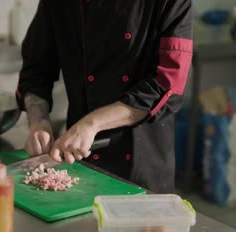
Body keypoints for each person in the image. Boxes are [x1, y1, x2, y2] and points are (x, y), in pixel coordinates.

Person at [16, 0, 192, 193]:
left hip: (142, 170)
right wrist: (38, 122)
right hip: (80, 164)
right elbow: (35, 69)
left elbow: (167, 83)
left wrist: (92, 124)